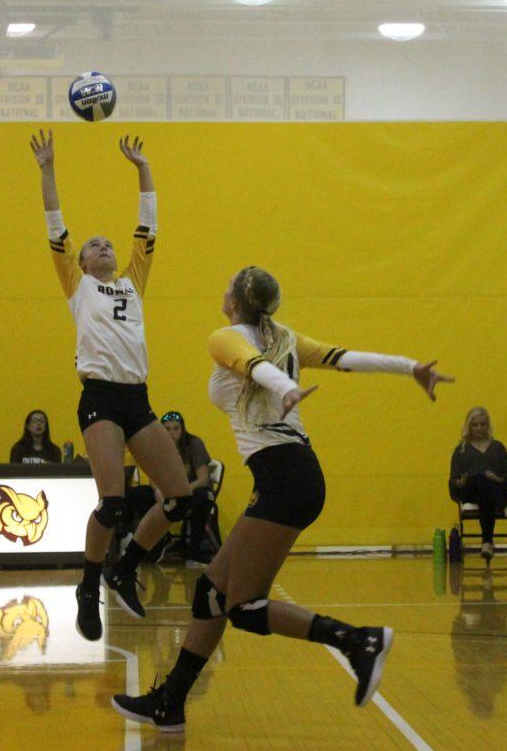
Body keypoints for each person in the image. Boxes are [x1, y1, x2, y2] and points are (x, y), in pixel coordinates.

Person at [110, 265, 453, 731]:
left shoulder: (226, 337)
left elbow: (257, 367)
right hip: (289, 476)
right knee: (211, 593)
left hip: (286, 479)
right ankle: (170, 702)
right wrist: (408, 367)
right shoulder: (284, 337)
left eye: (226, 283)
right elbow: (345, 356)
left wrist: (288, 387)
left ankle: (358, 641)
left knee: (244, 608)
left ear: (234, 298)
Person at [30, 130, 194, 641]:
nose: (103, 247)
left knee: (182, 500)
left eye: (108, 243)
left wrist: (142, 167)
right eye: (93, 245)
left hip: (138, 399)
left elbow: (149, 220)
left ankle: (125, 570)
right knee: (113, 504)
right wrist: (47, 169)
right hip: (100, 398)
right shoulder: (77, 286)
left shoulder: (133, 280)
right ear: (80, 262)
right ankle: (88, 585)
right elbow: (56, 224)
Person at [448, 406, 507, 561]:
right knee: (479, 478)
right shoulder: (461, 450)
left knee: (485, 492)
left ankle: (487, 543)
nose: (479, 428)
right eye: (475, 425)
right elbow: (453, 482)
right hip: (470, 491)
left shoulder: (498, 447)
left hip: (493, 490)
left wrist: (497, 479)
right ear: (469, 426)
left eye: (482, 424)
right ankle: (505, 509)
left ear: (488, 425)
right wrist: (462, 481)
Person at [158, 411, 219, 564]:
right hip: (172, 492)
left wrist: (179, 493)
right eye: (167, 429)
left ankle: (194, 552)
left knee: (201, 497)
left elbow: (203, 479)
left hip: (195, 490)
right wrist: (157, 491)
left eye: (176, 429)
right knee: (142, 494)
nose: (172, 433)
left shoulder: (194, 444)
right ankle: (154, 548)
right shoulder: (159, 447)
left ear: (182, 429)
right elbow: (155, 477)